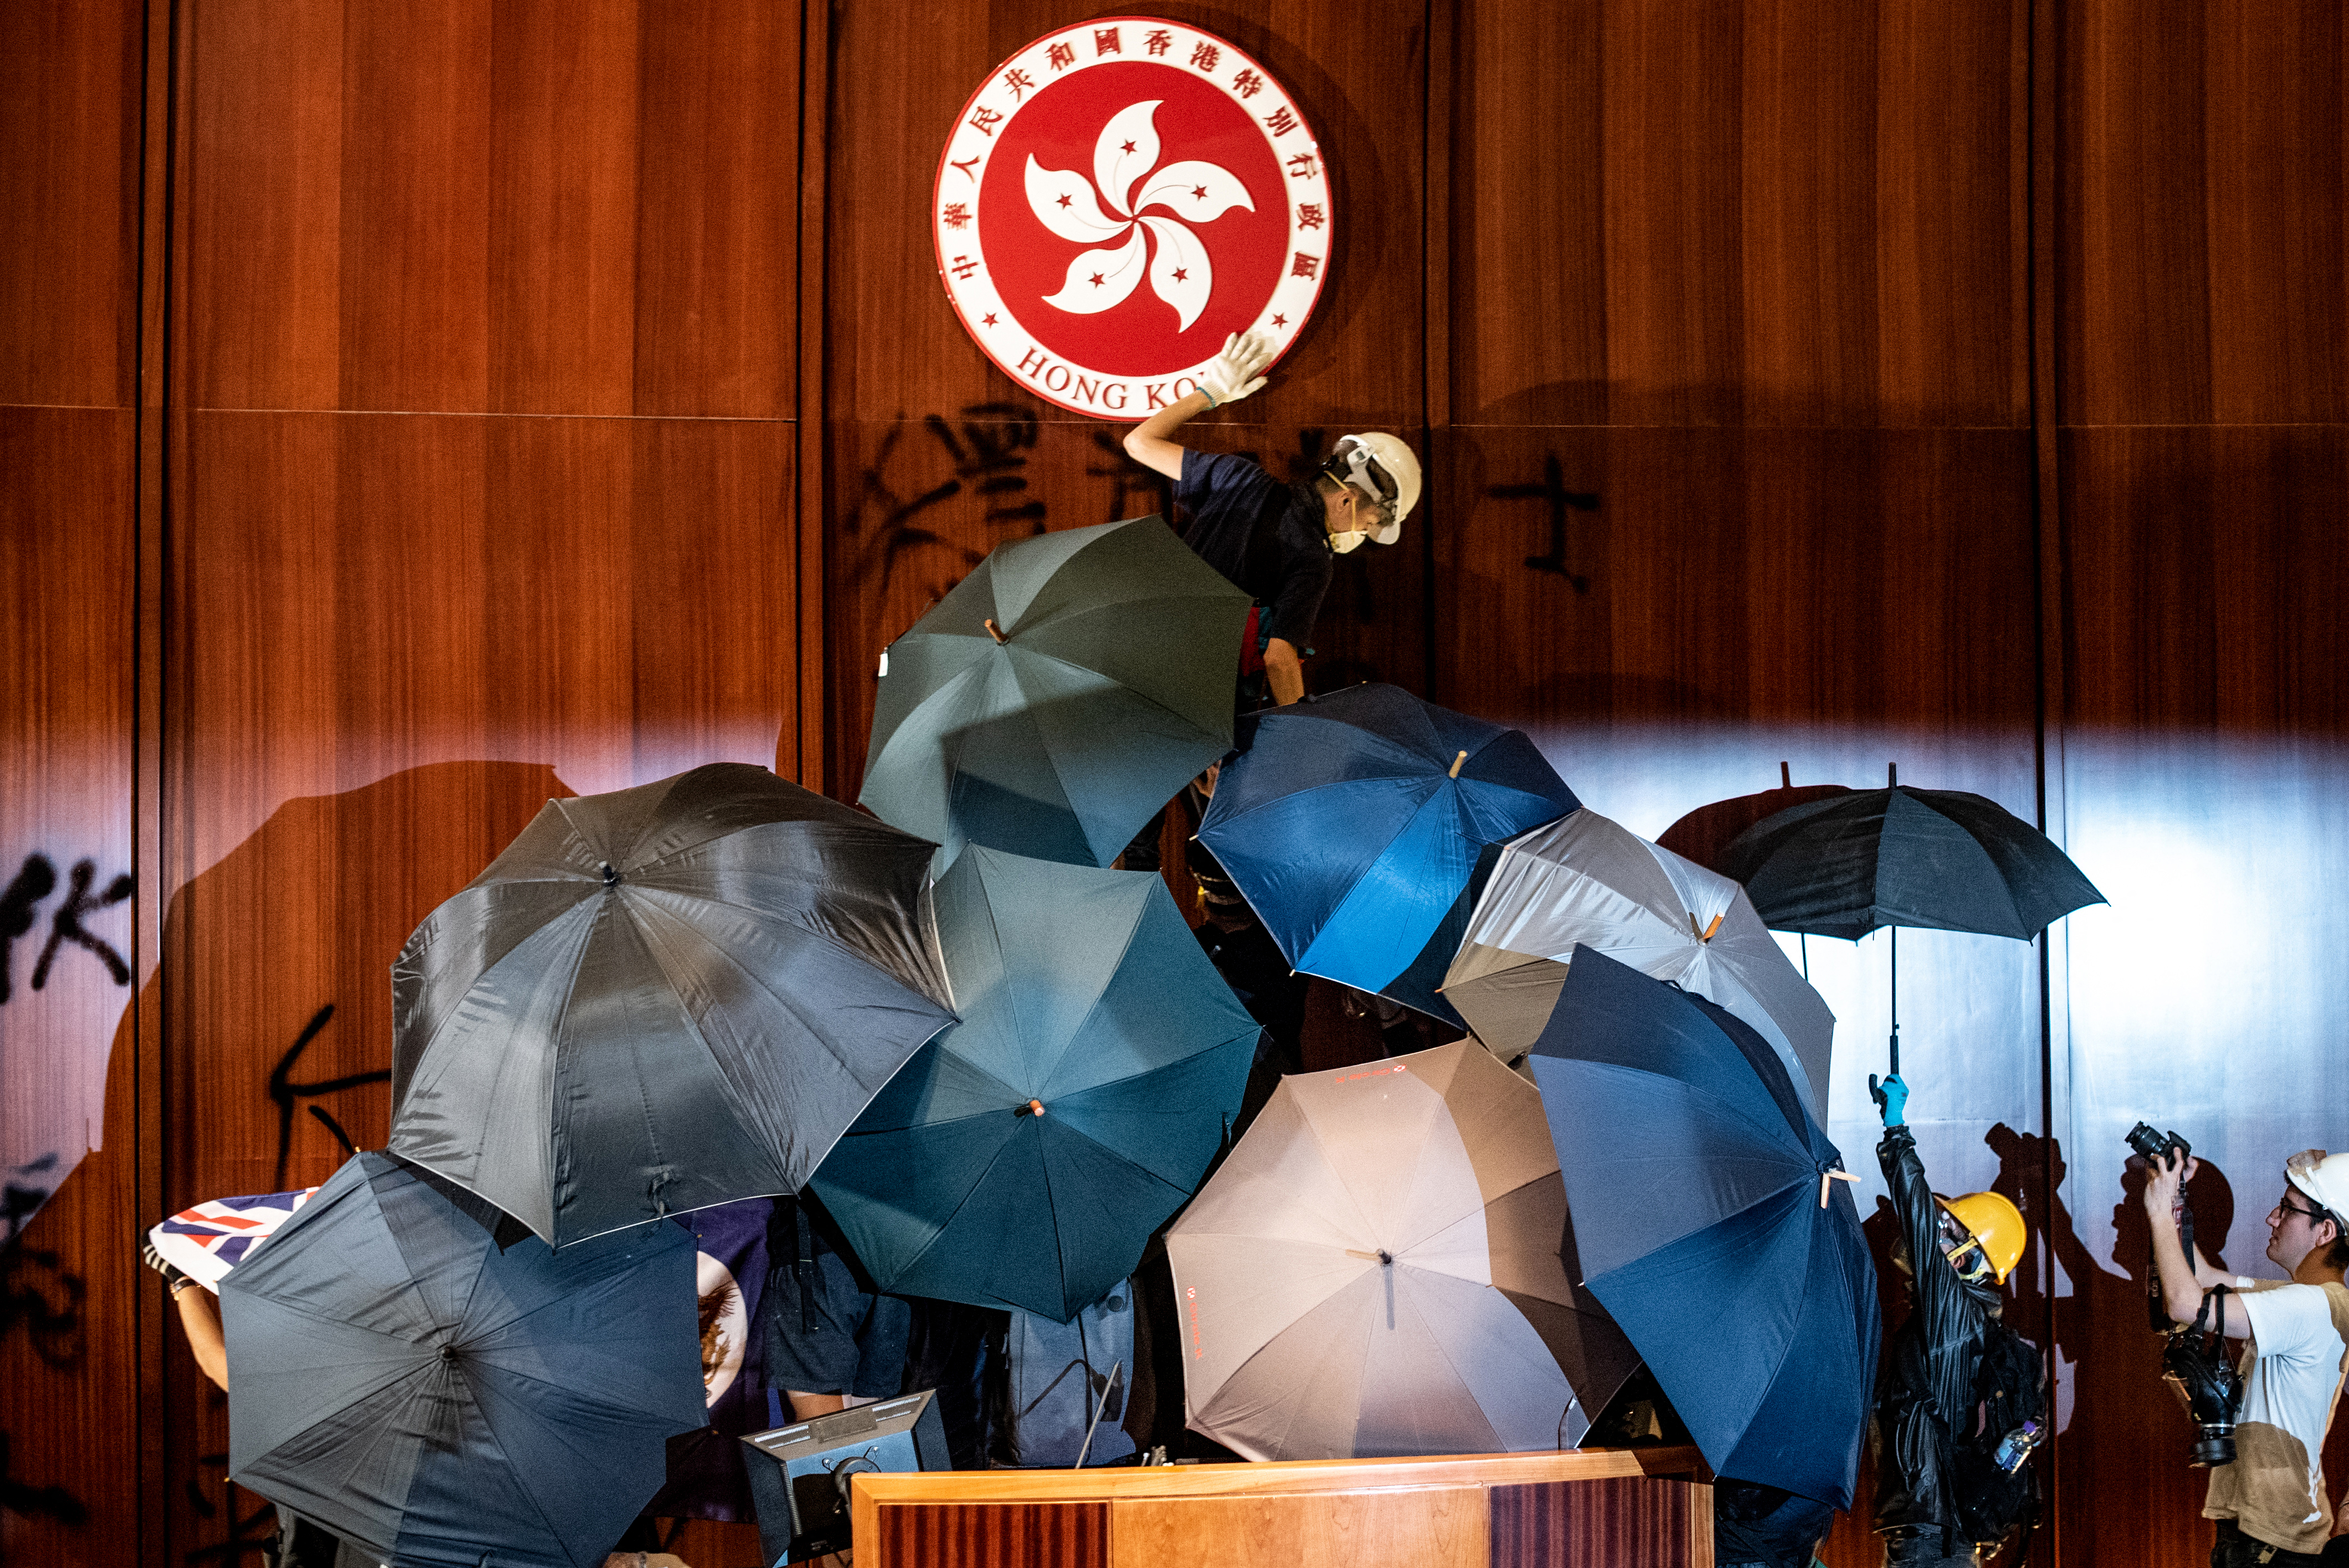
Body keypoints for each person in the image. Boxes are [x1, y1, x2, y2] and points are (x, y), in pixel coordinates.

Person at [1119, 327, 1421, 712]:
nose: (1362, 533)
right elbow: (1279, 659)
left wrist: (1211, 393)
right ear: (1347, 499)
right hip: (1199, 703)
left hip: (1140, 660)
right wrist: (1297, 733)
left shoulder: (1240, 477)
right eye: (1370, 521)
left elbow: (1138, 443)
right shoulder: (1313, 559)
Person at [2141, 1144, 2349, 1566]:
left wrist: (2158, 1210)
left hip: (2273, 1546)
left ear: (2324, 1232)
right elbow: (2200, 1279)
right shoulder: (2306, 1299)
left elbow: (2185, 1305)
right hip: (2263, 1537)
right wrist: (2176, 1197)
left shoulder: (2310, 1308)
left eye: (2287, 1209)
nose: (2272, 1218)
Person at [1868, 1073, 2045, 1567]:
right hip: (1931, 1535)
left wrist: (1896, 1130)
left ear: (1971, 1260)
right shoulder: (1960, 1326)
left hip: (1931, 1538)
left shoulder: (1956, 1321)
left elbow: (1919, 1230)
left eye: (1951, 1231)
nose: (1938, 1231)